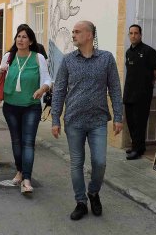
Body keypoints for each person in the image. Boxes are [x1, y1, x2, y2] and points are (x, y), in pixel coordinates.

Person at [51, 20, 123, 220]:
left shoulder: (106, 59)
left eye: (77, 32)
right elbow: (59, 91)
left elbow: (115, 89)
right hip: (73, 120)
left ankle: (93, 192)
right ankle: (81, 201)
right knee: (77, 163)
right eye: (73, 32)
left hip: (98, 120)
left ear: (89, 35)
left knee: (99, 162)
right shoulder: (67, 60)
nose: (73, 35)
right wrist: (55, 119)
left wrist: (118, 116)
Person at [0, 25, 52, 194]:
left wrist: (41, 90)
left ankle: (27, 179)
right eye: (18, 36)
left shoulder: (38, 58)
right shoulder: (8, 56)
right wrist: (1, 70)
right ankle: (19, 172)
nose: (20, 39)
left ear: (31, 41)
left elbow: (48, 80)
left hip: (31, 107)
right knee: (16, 141)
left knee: (28, 143)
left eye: (24, 37)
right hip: (11, 106)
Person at [123, 24, 156, 160]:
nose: (133, 36)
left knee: (140, 122)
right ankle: (138, 146)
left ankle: (137, 150)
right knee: (131, 121)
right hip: (129, 92)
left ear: (140, 35)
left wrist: (149, 82)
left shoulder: (148, 51)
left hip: (143, 94)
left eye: (136, 33)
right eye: (131, 33)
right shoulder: (128, 52)